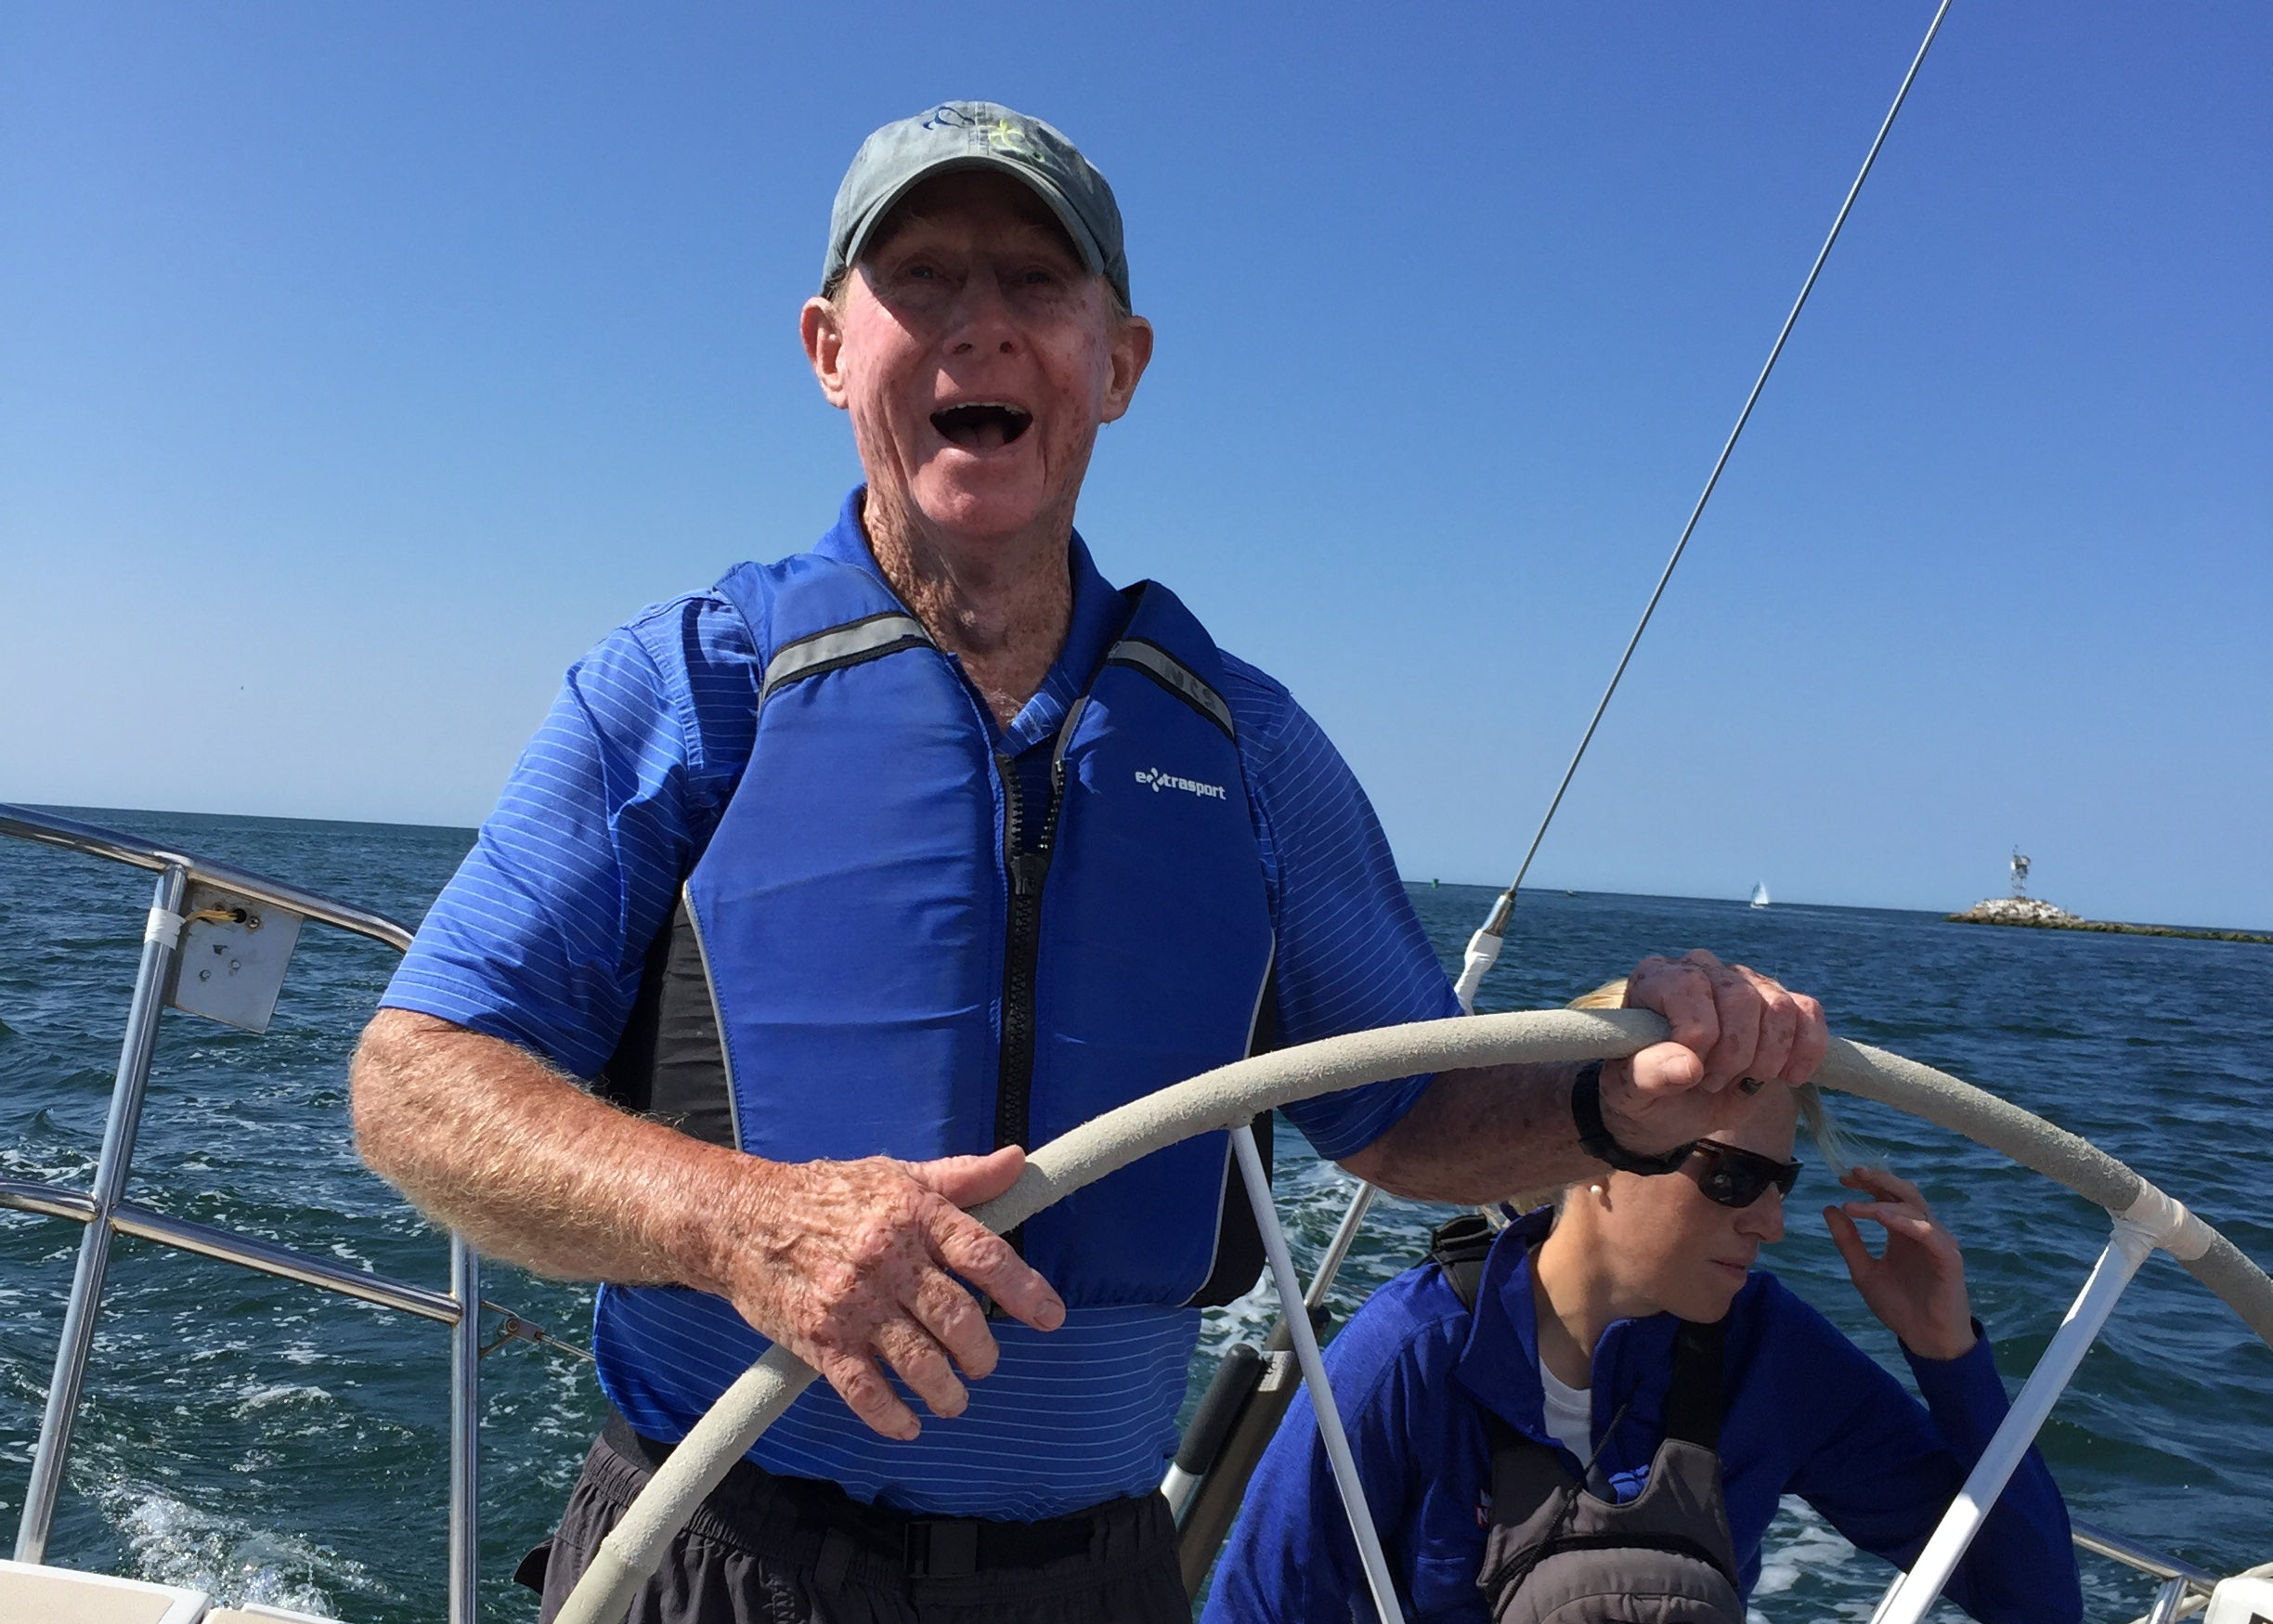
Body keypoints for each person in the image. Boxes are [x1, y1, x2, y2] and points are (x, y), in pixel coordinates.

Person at [347, 102, 1834, 1624]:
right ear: (826, 349)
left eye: (1035, 285)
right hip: (707, 1546)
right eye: (918, 277)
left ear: (1116, 364)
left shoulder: (1250, 750)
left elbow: (1404, 1116)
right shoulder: (687, 687)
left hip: (1092, 1576)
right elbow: (413, 1079)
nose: (978, 326)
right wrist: (740, 1218)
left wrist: (1611, 1102)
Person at [1202, 984, 2082, 1624]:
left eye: (1781, 1182)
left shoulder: (1769, 1353)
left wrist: (1947, 1352)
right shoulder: (1413, 1355)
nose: (1771, 1222)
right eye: (1733, 1178)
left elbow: (2031, 1599)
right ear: (1596, 1155)